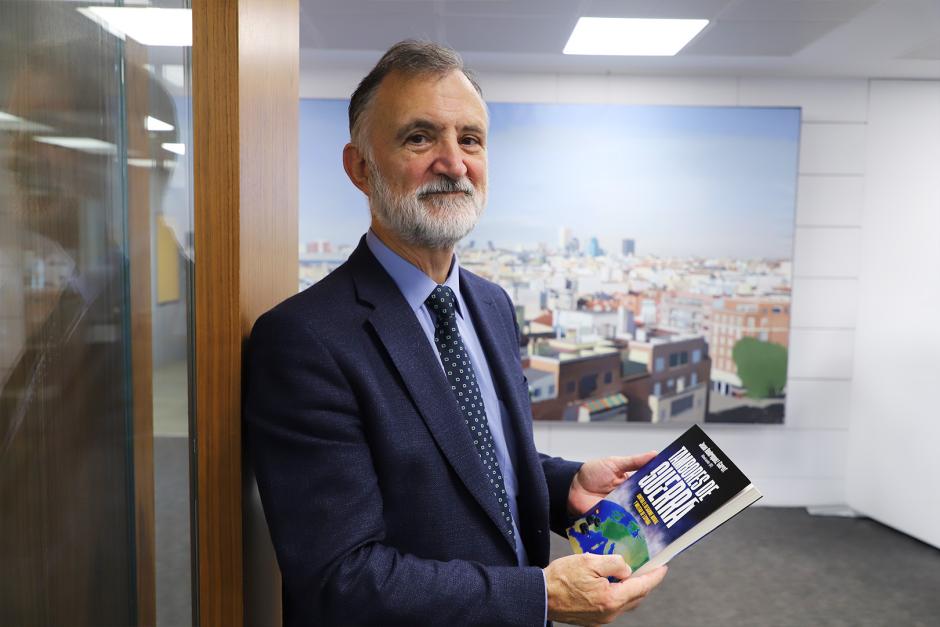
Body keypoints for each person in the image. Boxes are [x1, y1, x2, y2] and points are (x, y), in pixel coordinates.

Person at [245, 40, 668, 627]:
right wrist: (538, 597)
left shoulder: (490, 305)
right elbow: (338, 577)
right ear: (359, 167)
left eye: (470, 139)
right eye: (420, 137)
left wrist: (567, 484)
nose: (453, 161)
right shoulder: (304, 339)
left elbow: (471, 461)